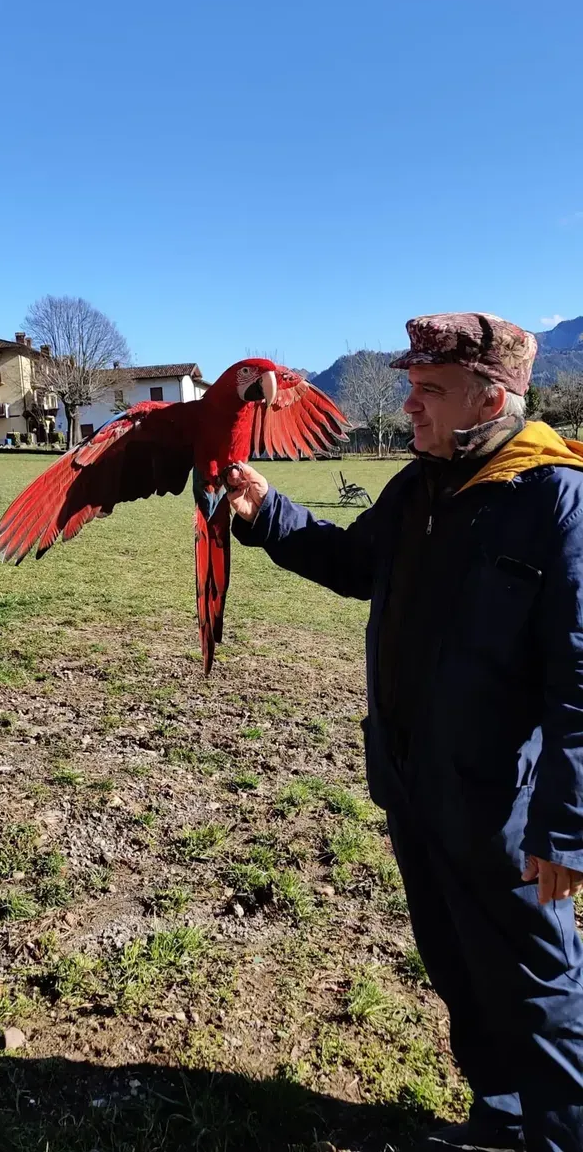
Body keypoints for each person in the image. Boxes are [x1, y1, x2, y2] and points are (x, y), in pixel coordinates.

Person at [226, 313, 583, 1152]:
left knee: (539, 986)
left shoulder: (555, 501)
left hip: (505, 811)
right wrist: (267, 510)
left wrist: (566, 829)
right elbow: (356, 563)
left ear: (488, 399)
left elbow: (578, 677)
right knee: (456, 962)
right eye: (411, 387)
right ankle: (501, 1115)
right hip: (413, 784)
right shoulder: (418, 485)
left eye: (429, 390)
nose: (409, 406)